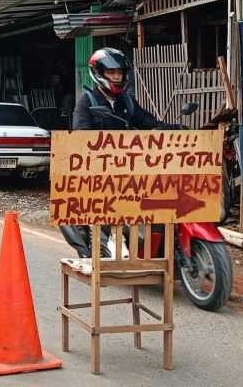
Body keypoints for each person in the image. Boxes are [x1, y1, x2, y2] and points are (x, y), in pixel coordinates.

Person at [62, 48, 180, 257]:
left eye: (120, 73)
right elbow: (81, 136)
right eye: (112, 73)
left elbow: (147, 122)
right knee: (100, 208)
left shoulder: (127, 101)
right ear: (99, 73)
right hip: (99, 170)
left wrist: (171, 129)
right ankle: (98, 245)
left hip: (128, 166)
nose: (117, 77)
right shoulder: (87, 101)